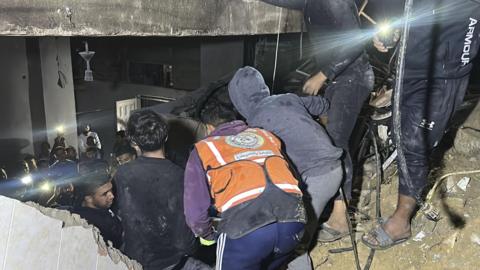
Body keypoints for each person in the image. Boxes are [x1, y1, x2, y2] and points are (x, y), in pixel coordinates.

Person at [361, 0, 480, 250]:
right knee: (400, 132)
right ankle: (405, 192)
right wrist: (392, 36)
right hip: (410, 68)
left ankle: (402, 221)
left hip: (445, 74)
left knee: (416, 140)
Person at [260, 0, 374, 242]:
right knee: (331, 139)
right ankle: (333, 205)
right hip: (338, 80)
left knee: (336, 144)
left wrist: (322, 75)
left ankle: (341, 218)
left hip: (353, 77)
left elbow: (356, 42)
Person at [228, 66, 342, 269]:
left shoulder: (255, 127)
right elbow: (323, 104)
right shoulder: (286, 98)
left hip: (318, 177)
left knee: (294, 240)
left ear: (239, 100)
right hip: (333, 167)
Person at [184, 100, 306, 270]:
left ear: (209, 127)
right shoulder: (266, 136)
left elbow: (195, 213)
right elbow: (295, 179)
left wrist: (208, 234)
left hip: (247, 230)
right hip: (294, 222)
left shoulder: (204, 148)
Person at [115, 110, 203, 270]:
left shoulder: (122, 174)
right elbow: (184, 234)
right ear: (166, 137)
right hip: (171, 260)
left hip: (134, 259)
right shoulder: (180, 175)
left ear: (134, 142)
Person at [73, 160, 123, 248]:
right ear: (88, 198)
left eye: (111, 190)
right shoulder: (88, 224)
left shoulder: (101, 208)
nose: (111, 196)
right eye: (105, 194)